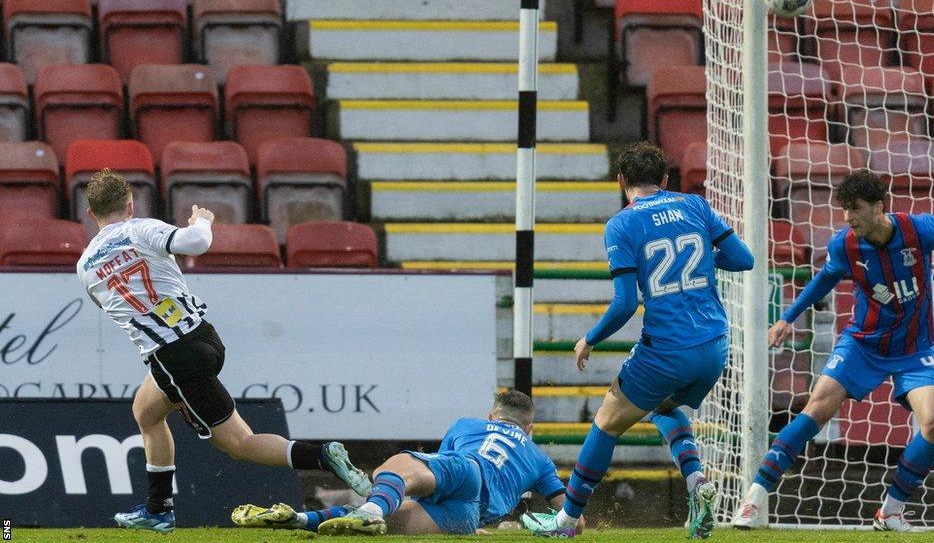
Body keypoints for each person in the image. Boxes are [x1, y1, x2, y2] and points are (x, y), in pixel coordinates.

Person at [75, 169, 371, 533]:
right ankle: (158, 508)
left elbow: (113, 306)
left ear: (90, 213)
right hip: (204, 337)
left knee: (239, 443)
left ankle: (322, 456)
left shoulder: (86, 266)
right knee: (146, 411)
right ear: (129, 204)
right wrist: (201, 219)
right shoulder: (141, 229)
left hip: (172, 357)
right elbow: (196, 243)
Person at [519, 142, 754, 539]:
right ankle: (697, 482)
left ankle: (566, 521)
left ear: (621, 181)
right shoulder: (695, 206)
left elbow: (626, 303)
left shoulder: (622, 224)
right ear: (665, 180)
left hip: (667, 349)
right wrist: (703, 259)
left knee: (607, 423)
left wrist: (589, 338)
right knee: (663, 408)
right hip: (715, 345)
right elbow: (744, 258)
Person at [731, 170, 934, 532]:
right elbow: (822, 281)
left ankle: (890, 511)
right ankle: (752, 500)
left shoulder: (918, 230)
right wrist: (787, 318)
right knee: (816, 408)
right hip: (863, 343)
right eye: (843, 209)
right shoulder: (844, 245)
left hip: (914, 348)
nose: (847, 217)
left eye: (855, 208)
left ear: (879, 207)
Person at [232, 390, 575, 536]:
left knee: (395, 468)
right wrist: (543, 525)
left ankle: (367, 508)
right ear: (529, 428)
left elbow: (441, 468)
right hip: (467, 518)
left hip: (468, 470)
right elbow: (571, 520)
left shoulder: (468, 425)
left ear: (492, 416)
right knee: (388, 525)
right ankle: (300, 520)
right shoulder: (540, 459)